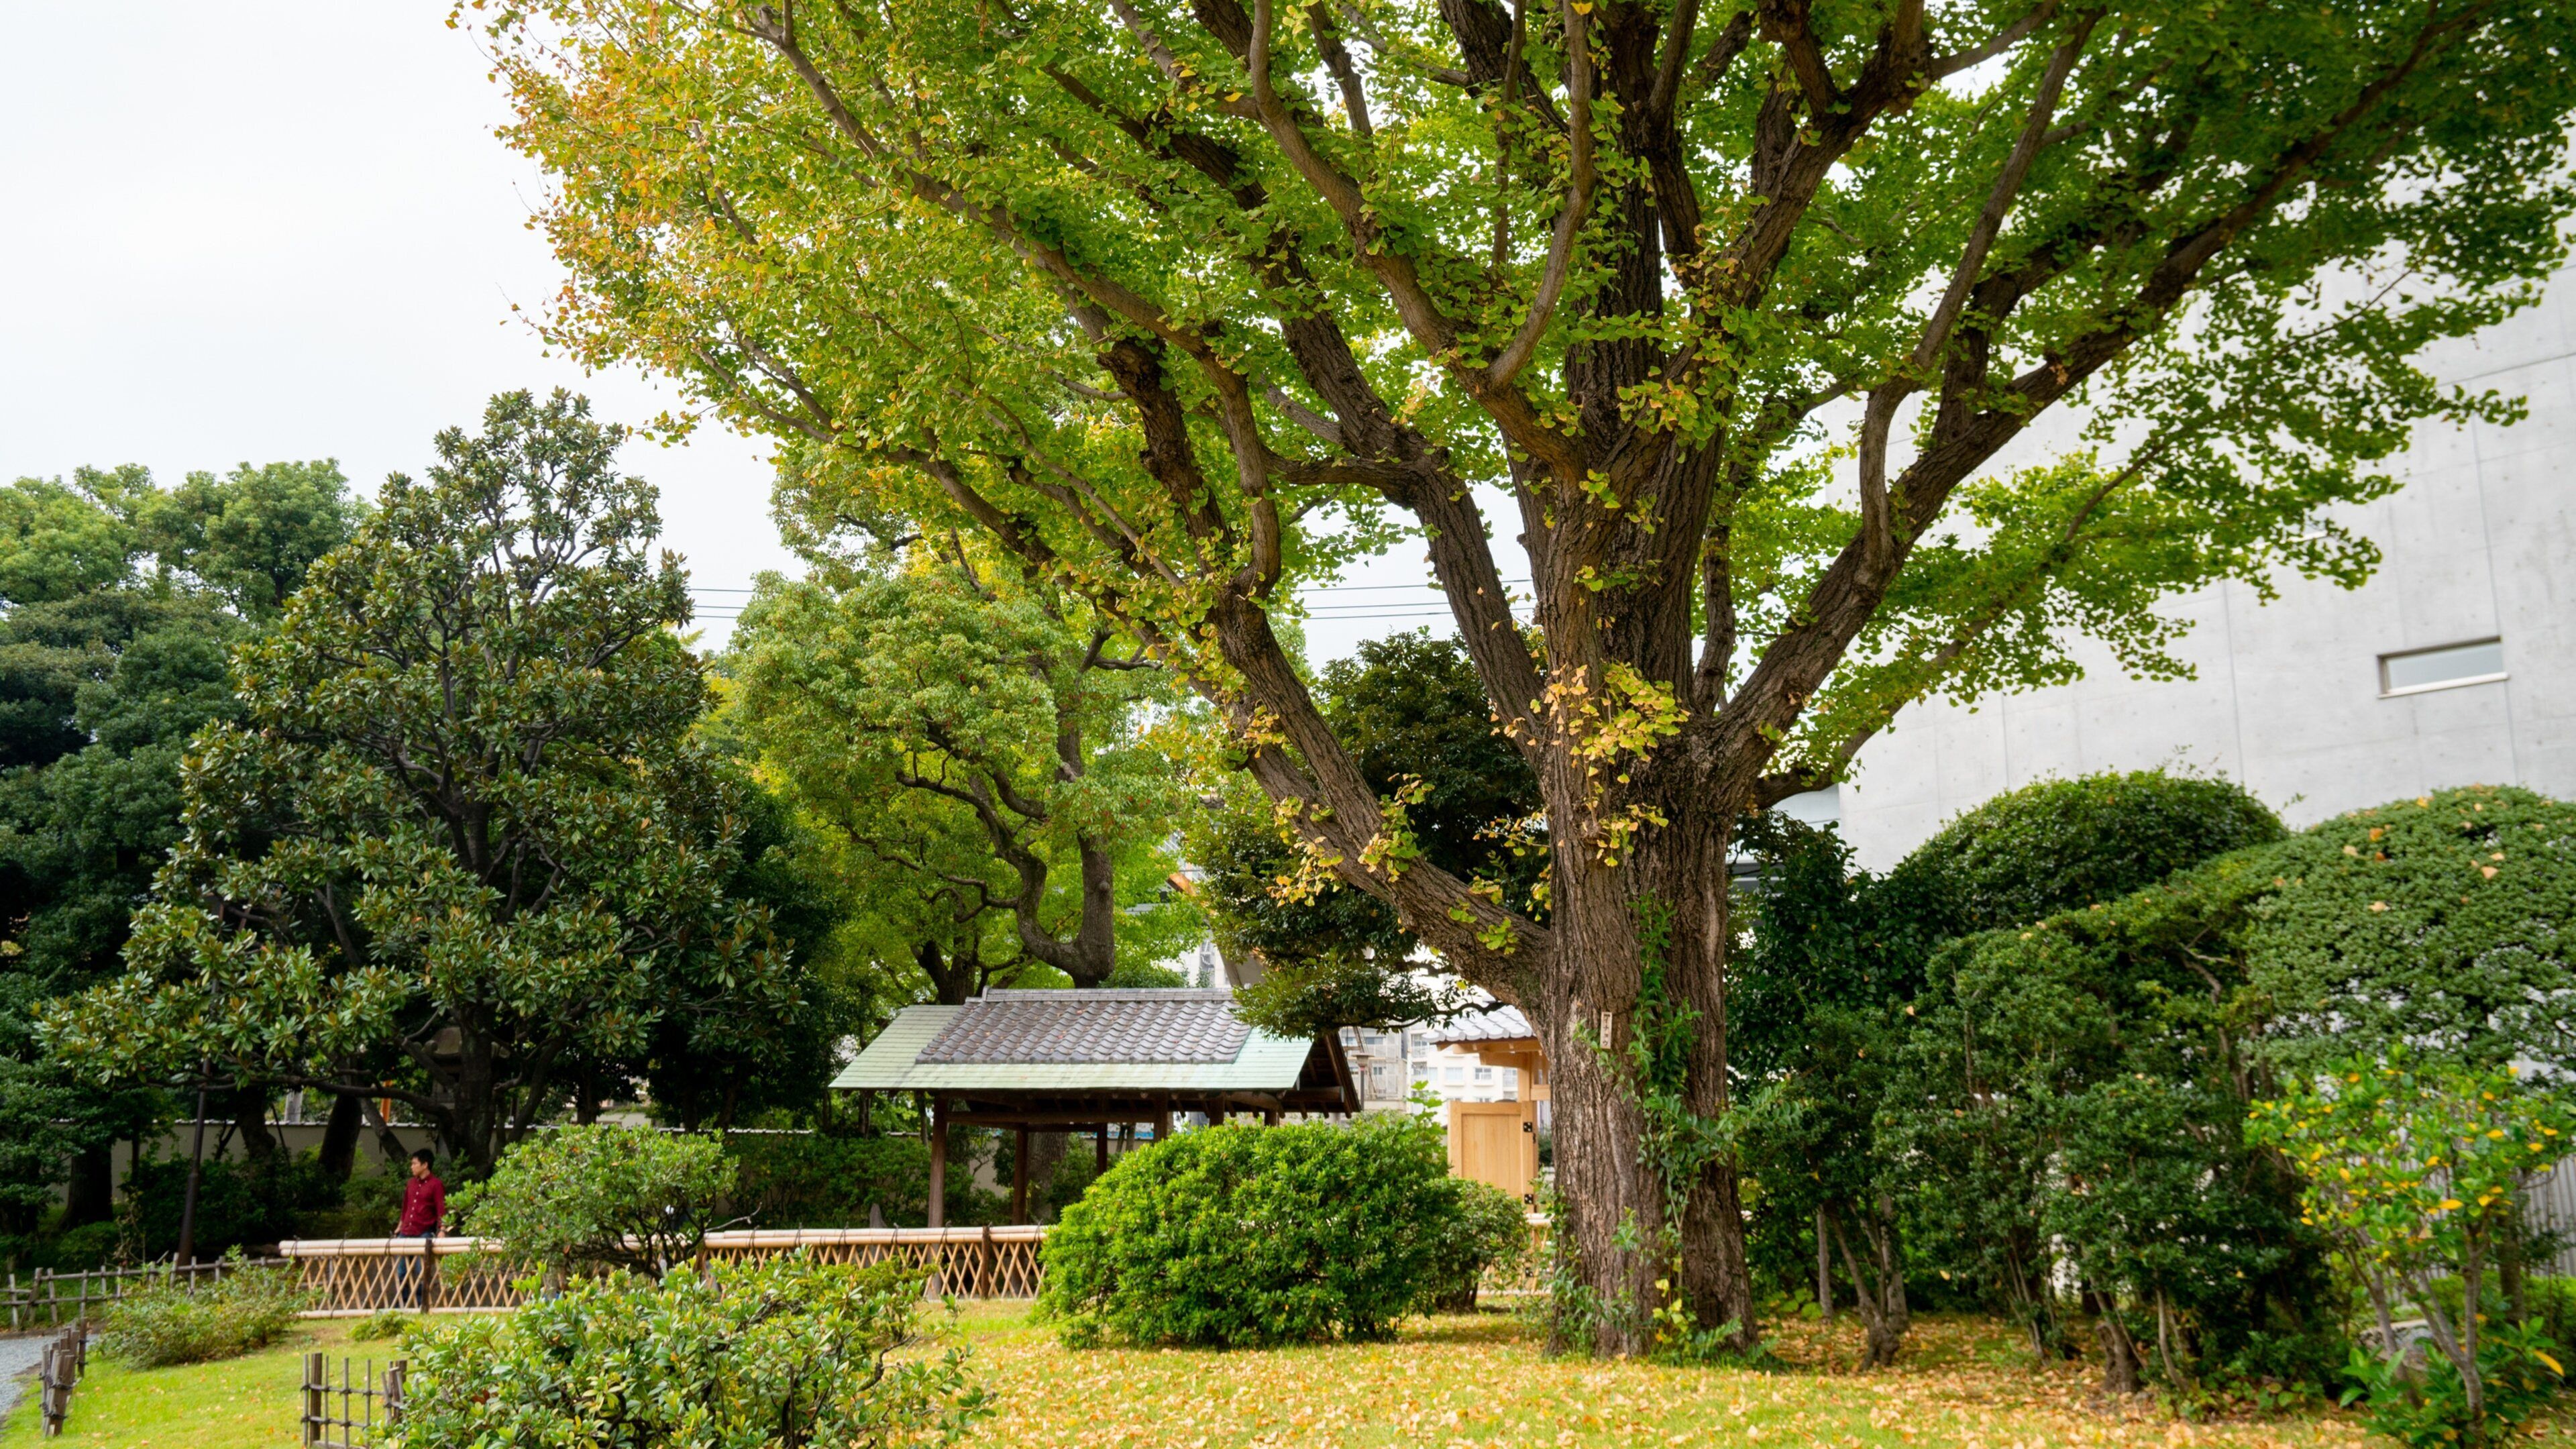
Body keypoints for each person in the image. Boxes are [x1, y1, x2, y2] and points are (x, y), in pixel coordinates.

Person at [394, 1148, 446, 1310]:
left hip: (423, 1231)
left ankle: (420, 1305)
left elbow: (441, 1208)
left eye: (415, 1163)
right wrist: (399, 1227)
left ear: (425, 1165)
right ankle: (402, 1304)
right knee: (401, 1271)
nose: (412, 1167)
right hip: (406, 1231)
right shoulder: (410, 1184)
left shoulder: (436, 1185)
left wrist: (442, 1229)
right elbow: (405, 1208)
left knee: (421, 1271)